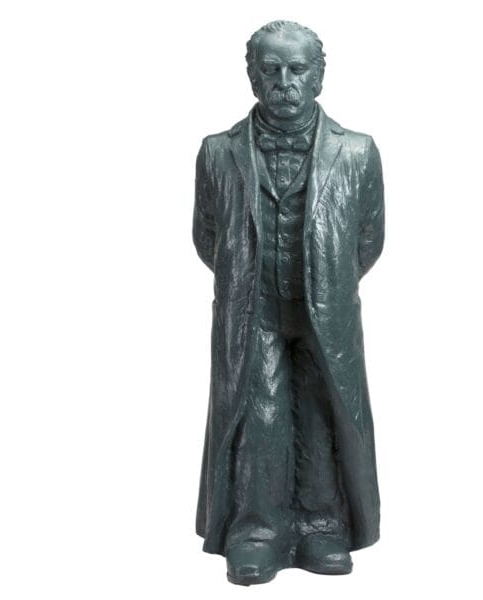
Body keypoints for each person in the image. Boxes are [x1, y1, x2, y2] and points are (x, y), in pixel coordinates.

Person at [192, 20, 385, 585]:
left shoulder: (358, 152)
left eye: (297, 69)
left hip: (327, 313)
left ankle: (324, 526)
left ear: (318, 75)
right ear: (253, 77)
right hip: (252, 312)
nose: (284, 82)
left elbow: (368, 239)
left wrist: (329, 286)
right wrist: (246, 279)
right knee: (260, 416)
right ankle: (257, 530)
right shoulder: (217, 152)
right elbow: (208, 236)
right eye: (271, 70)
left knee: (324, 414)